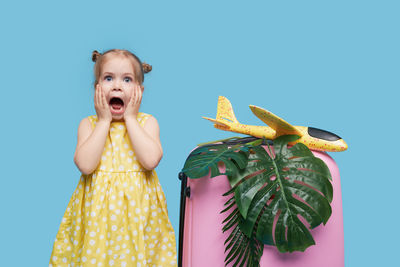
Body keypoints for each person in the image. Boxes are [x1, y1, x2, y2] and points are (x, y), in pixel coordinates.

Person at [49, 49, 177, 266]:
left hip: (139, 219)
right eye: (108, 78)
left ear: (139, 91)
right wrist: (103, 121)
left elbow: (150, 160)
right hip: (97, 221)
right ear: (97, 88)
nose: (117, 86)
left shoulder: (147, 123)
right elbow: (86, 165)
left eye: (127, 80)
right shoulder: (89, 125)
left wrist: (130, 119)